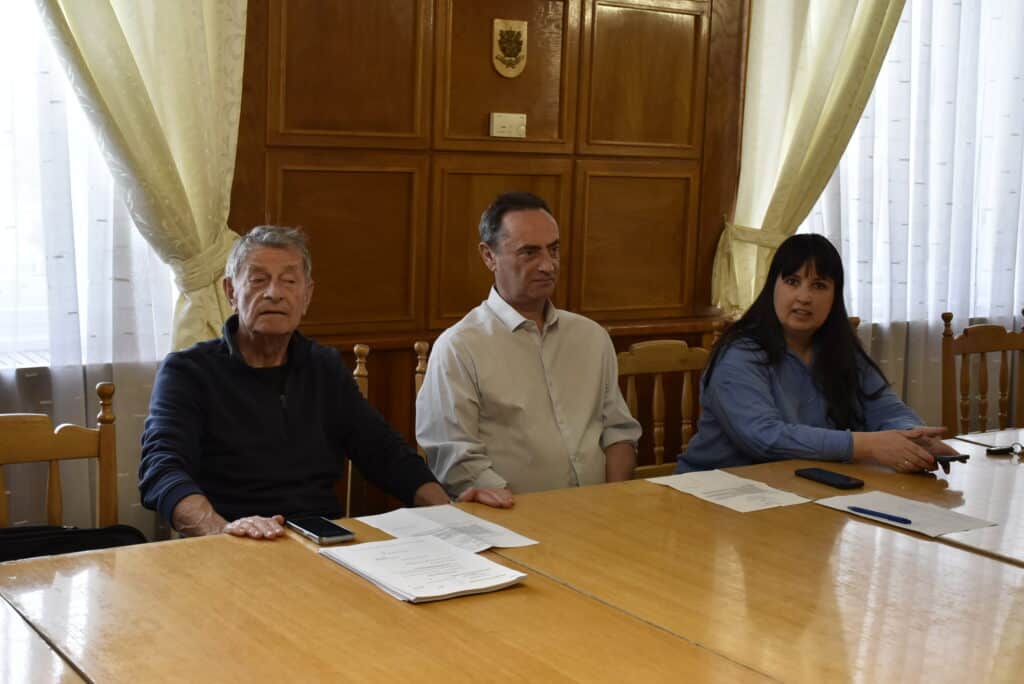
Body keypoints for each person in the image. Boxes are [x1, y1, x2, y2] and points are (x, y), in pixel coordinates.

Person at [139, 226, 512, 541]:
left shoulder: (324, 367)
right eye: (257, 280)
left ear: (307, 296)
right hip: (230, 541)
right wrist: (220, 531)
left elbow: (384, 452)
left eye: (289, 281)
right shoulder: (188, 372)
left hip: (321, 542)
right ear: (231, 292)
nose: (274, 292)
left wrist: (449, 511)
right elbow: (162, 468)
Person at [416, 191, 641, 496]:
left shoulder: (591, 337)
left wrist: (611, 501)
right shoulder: (460, 347)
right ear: (489, 256)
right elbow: (457, 459)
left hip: (600, 510)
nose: (548, 265)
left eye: (554, 249)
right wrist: (523, 512)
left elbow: (618, 433)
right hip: (509, 513)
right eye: (530, 252)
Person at [676, 233, 956, 474]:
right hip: (717, 492)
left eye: (819, 285)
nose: (804, 297)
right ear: (772, 287)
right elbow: (764, 438)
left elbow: (887, 409)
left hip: (800, 487)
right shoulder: (738, 353)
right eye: (792, 281)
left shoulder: (840, 349)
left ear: (835, 297)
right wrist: (868, 445)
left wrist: (912, 438)